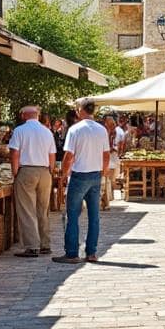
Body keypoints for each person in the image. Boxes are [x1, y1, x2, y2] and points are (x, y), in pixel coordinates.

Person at [55, 98, 109, 264]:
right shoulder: (102, 130)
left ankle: (72, 253)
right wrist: (103, 173)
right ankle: (91, 252)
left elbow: (69, 156)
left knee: (72, 215)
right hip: (95, 175)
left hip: (79, 175)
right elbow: (106, 155)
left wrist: (63, 175)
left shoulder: (75, 129)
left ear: (80, 110)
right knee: (94, 216)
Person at [9, 105, 57, 257]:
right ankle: (45, 244)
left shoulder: (20, 130)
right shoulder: (47, 131)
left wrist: (15, 172)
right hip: (44, 171)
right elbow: (52, 155)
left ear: (24, 115)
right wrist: (50, 170)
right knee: (43, 209)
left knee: (27, 209)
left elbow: (15, 153)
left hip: (27, 170)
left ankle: (32, 246)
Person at [102, 113, 122, 206]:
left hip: (114, 158)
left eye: (114, 124)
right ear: (106, 124)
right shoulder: (104, 133)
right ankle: (106, 201)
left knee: (112, 179)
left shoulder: (114, 133)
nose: (114, 126)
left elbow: (117, 144)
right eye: (112, 124)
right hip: (107, 160)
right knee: (107, 180)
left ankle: (110, 197)